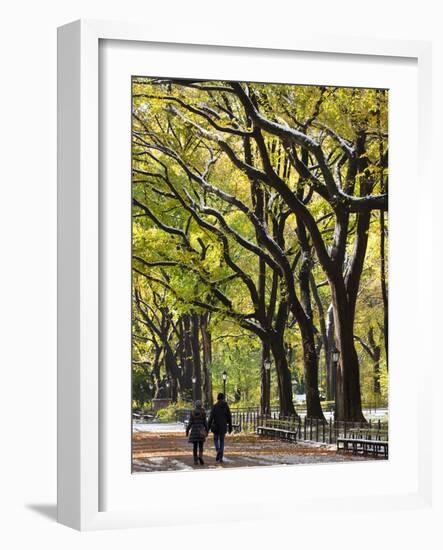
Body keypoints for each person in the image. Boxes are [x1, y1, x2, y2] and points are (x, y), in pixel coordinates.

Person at [208, 393, 232, 463]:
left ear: (217, 398)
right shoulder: (226, 406)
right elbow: (229, 417)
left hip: (216, 426)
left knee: (215, 439)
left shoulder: (215, 406)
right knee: (222, 441)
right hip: (223, 426)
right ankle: (220, 457)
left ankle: (218, 450)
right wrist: (230, 426)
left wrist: (208, 427)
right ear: (223, 398)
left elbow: (211, 418)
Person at [186, 400, 208, 465]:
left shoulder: (192, 412)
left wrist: (187, 430)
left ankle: (195, 460)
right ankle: (200, 456)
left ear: (195, 405)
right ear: (201, 405)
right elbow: (205, 422)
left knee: (195, 446)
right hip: (201, 431)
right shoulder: (203, 412)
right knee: (201, 446)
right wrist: (207, 430)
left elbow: (190, 423)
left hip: (194, 431)